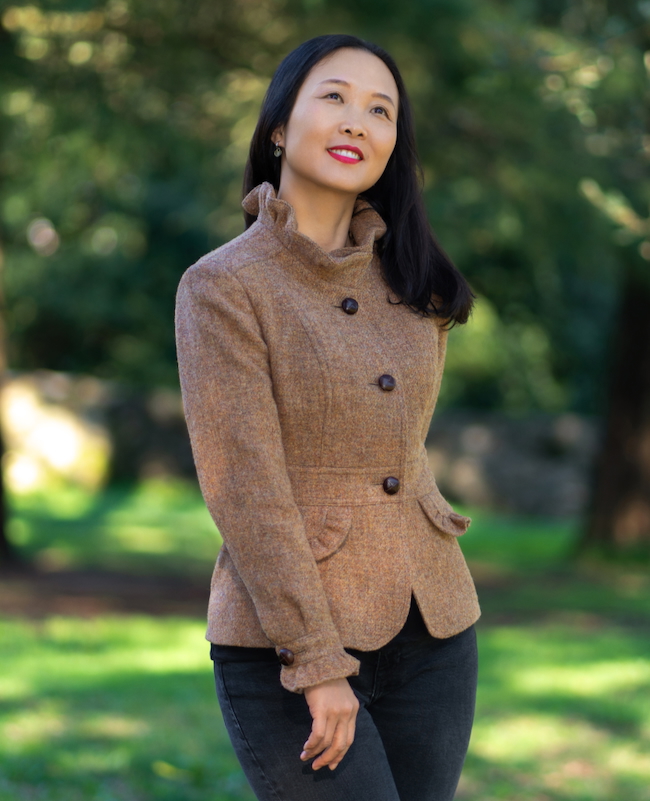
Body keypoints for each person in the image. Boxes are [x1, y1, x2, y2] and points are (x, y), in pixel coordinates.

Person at [175, 33, 481, 801]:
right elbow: (244, 486)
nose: (357, 121)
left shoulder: (415, 282)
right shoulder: (223, 287)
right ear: (280, 127)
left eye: (381, 111)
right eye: (335, 97)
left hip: (434, 627)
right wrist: (316, 661)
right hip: (288, 643)